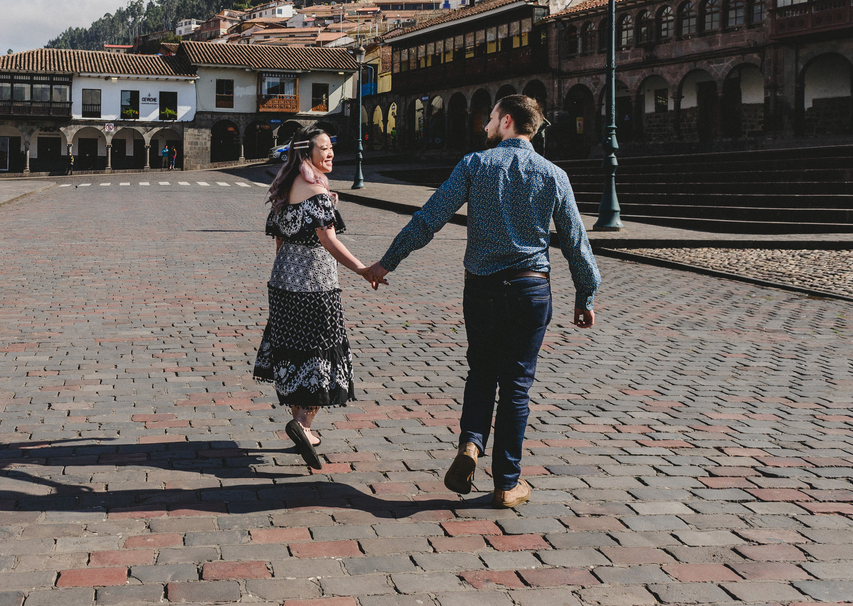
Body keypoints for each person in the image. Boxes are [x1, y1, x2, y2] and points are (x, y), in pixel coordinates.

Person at [363, 95, 600, 508]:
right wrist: (586, 293)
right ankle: (507, 483)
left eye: (491, 118)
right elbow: (575, 241)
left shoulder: (475, 164)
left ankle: (470, 444)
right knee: (516, 388)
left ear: (507, 121)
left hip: (482, 289)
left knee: (481, 373)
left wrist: (388, 262)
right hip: (530, 289)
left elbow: (430, 217)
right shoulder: (553, 174)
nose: (486, 125)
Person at [256, 125, 377, 470]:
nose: (330, 154)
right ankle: (304, 425)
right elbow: (329, 240)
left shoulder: (286, 186)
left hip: (282, 285)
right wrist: (363, 269)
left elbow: (279, 241)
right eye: (323, 148)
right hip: (316, 286)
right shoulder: (317, 193)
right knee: (320, 351)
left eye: (331, 148)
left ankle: (302, 427)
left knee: (295, 350)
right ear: (306, 152)